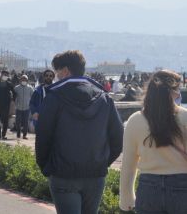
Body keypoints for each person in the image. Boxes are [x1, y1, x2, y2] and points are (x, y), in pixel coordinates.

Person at [35, 50, 123, 214]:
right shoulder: (104, 98)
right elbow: (118, 139)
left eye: (57, 72)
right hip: (95, 174)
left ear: (66, 71)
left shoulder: (54, 98)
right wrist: (102, 162)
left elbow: (43, 137)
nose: (56, 76)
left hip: (63, 173)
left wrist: (47, 167)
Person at [120, 70, 187, 214]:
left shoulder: (135, 120)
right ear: (173, 92)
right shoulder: (185, 117)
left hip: (148, 188)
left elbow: (128, 165)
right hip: (182, 187)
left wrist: (126, 198)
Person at [0, 70, 16, 139]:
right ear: (1, 75)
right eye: (4, 75)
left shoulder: (9, 84)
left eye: (6, 75)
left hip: (6, 105)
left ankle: (3, 135)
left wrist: (12, 100)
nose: (5, 76)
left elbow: (14, 93)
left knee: (5, 120)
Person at [14, 75, 34, 139]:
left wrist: (31, 105)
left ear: (27, 81)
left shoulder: (30, 88)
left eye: (25, 80)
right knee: (18, 122)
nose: (24, 81)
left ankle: (24, 135)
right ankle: (18, 134)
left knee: (26, 122)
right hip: (18, 108)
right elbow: (13, 97)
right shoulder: (16, 88)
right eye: (22, 80)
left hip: (27, 108)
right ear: (20, 80)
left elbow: (33, 97)